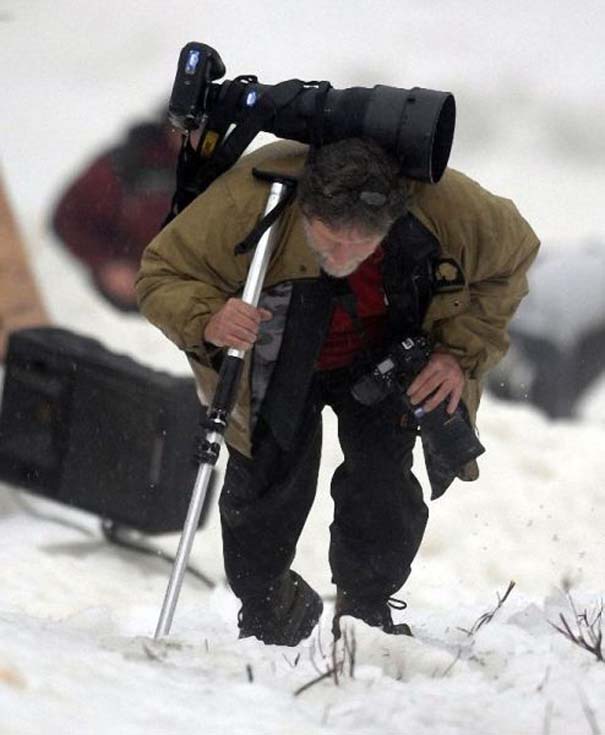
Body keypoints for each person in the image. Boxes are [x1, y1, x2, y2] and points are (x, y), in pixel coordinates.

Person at [136, 137, 540, 646]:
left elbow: (513, 257)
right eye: (327, 241)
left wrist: (456, 353)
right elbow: (160, 274)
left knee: (382, 484)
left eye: (360, 245)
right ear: (306, 210)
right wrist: (209, 316)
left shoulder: (446, 205)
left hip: (386, 350)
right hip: (280, 350)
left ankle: (365, 613)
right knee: (263, 488)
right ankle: (266, 607)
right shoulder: (252, 195)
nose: (341, 257)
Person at [51, 116, 179, 312]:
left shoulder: (224, 170)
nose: (197, 137)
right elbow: (70, 219)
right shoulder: (127, 165)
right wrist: (107, 263)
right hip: (139, 289)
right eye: (191, 128)